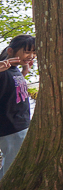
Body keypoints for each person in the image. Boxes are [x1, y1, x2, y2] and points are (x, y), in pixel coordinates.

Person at [0, 35, 35, 181]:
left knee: (13, 163)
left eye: (34, 53)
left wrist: (25, 72)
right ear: (10, 51)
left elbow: (13, 90)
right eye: (27, 52)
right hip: (10, 127)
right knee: (12, 168)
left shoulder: (13, 70)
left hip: (20, 124)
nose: (31, 56)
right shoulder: (2, 71)